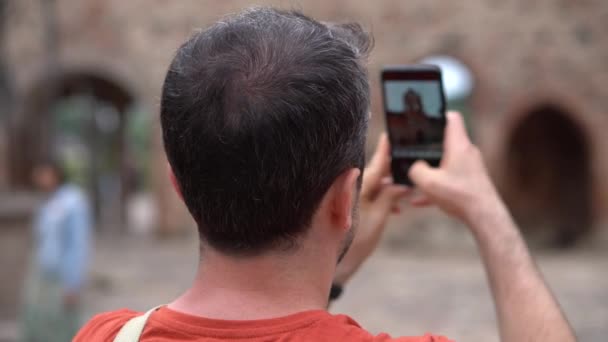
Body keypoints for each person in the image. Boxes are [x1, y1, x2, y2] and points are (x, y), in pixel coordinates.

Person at [75, 7, 575, 342]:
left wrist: (334, 265)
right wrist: (486, 210)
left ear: (178, 185)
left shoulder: (102, 335)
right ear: (345, 197)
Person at [21, 160, 93, 342]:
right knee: (39, 324)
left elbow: (77, 244)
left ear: (56, 174)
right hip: (44, 274)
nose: (40, 179)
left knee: (63, 327)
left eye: (44, 174)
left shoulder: (72, 201)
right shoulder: (46, 202)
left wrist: (73, 283)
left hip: (62, 277)